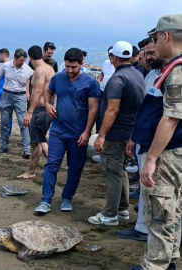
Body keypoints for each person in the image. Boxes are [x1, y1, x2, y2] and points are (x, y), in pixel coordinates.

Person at [132, 15, 182, 270]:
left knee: (160, 210)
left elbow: (171, 117)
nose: (153, 43)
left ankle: (156, 264)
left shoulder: (177, 69)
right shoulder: (171, 67)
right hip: (172, 151)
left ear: (165, 36)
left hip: (169, 152)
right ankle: (170, 259)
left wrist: (151, 158)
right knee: (172, 208)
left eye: (155, 38)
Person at [34, 48, 100, 214]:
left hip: (79, 133)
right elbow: (48, 92)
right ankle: (45, 200)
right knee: (52, 164)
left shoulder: (90, 83)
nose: (70, 70)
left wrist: (87, 132)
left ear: (82, 64)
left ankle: (67, 198)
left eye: (74, 67)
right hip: (58, 130)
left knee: (75, 167)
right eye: (68, 66)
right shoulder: (59, 78)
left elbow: (93, 110)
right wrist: (48, 105)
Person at [117, 36, 168, 243]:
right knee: (147, 191)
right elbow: (143, 111)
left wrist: (153, 154)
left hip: (158, 145)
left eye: (151, 52)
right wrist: (133, 137)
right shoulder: (151, 75)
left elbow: (170, 118)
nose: (147, 57)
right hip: (143, 139)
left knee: (158, 192)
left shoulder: (170, 75)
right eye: (145, 53)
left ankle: (151, 233)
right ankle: (141, 227)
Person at [89, 41, 144, 226]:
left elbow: (112, 110)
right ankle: (122, 209)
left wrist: (102, 135)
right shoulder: (137, 75)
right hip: (129, 131)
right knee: (120, 170)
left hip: (116, 133)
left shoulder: (117, 80)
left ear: (113, 57)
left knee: (113, 172)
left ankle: (110, 213)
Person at [17, 45, 54, 179]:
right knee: (41, 140)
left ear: (30, 58)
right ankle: (53, 164)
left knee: (35, 143)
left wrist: (30, 112)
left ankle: (31, 171)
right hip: (46, 108)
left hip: (40, 110)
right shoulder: (49, 69)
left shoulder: (39, 71)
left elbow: (38, 91)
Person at [0, 49, 33, 158]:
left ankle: (27, 149)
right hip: (7, 95)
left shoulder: (28, 69)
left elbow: (30, 81)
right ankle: (4, 146)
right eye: (20, 60)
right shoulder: (6, 66)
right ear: (15, 58)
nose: (22, 62)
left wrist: (28, 92)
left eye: (23, 60)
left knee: (23, 122)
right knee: (4, 122)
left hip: (20, 96)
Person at [96, 47, 115, 133]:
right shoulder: (106, 63)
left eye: (112, 55)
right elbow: (102, 74)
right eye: (109, 55)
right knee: (99, 112)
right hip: (102, 90)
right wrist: (98, 81)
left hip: (112, 93)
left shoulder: (117, 65)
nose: (110, 57)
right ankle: (98, 131)